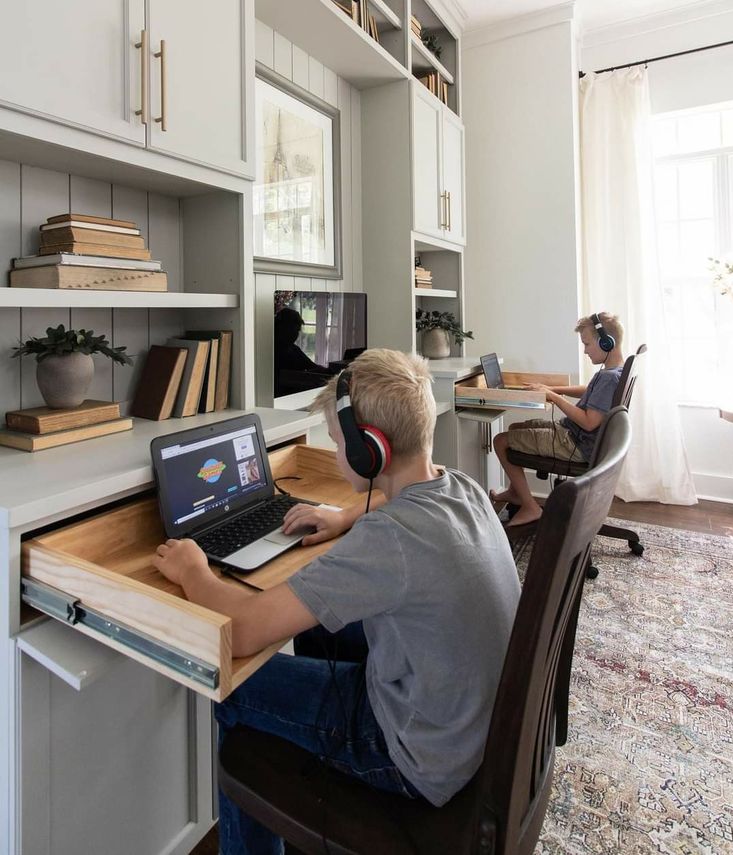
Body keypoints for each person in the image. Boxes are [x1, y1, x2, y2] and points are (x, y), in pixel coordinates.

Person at [152, 348, 520, 855]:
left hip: (417, 755)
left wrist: (193, 569)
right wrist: (344, 518)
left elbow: (241, 631)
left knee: (233, 688)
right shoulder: (462, 487)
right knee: (315, 627)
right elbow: (398, 525)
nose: (334, 445)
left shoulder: (391, 538)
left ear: (371, 451)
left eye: (336, 436)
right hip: (469, 729)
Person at [491, 311, 625, 527]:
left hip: (575, 444)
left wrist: (553, 397)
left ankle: (530, 507)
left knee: (501, 441)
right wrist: (554, 388)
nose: (585, 351)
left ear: (606, 343)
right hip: (576, 437)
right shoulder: (614, 371)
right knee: (515, 427)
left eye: (587, 344)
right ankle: (516, 493)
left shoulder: (609, 378)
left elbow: (589, 421)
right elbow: (589, 391)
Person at [273, 306, 330, 396]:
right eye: (294, 330)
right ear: (283, 328)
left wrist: (329, 371)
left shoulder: (293, 349)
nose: (296, 335)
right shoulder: (273, 351)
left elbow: (311, 366)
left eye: (298, 331)